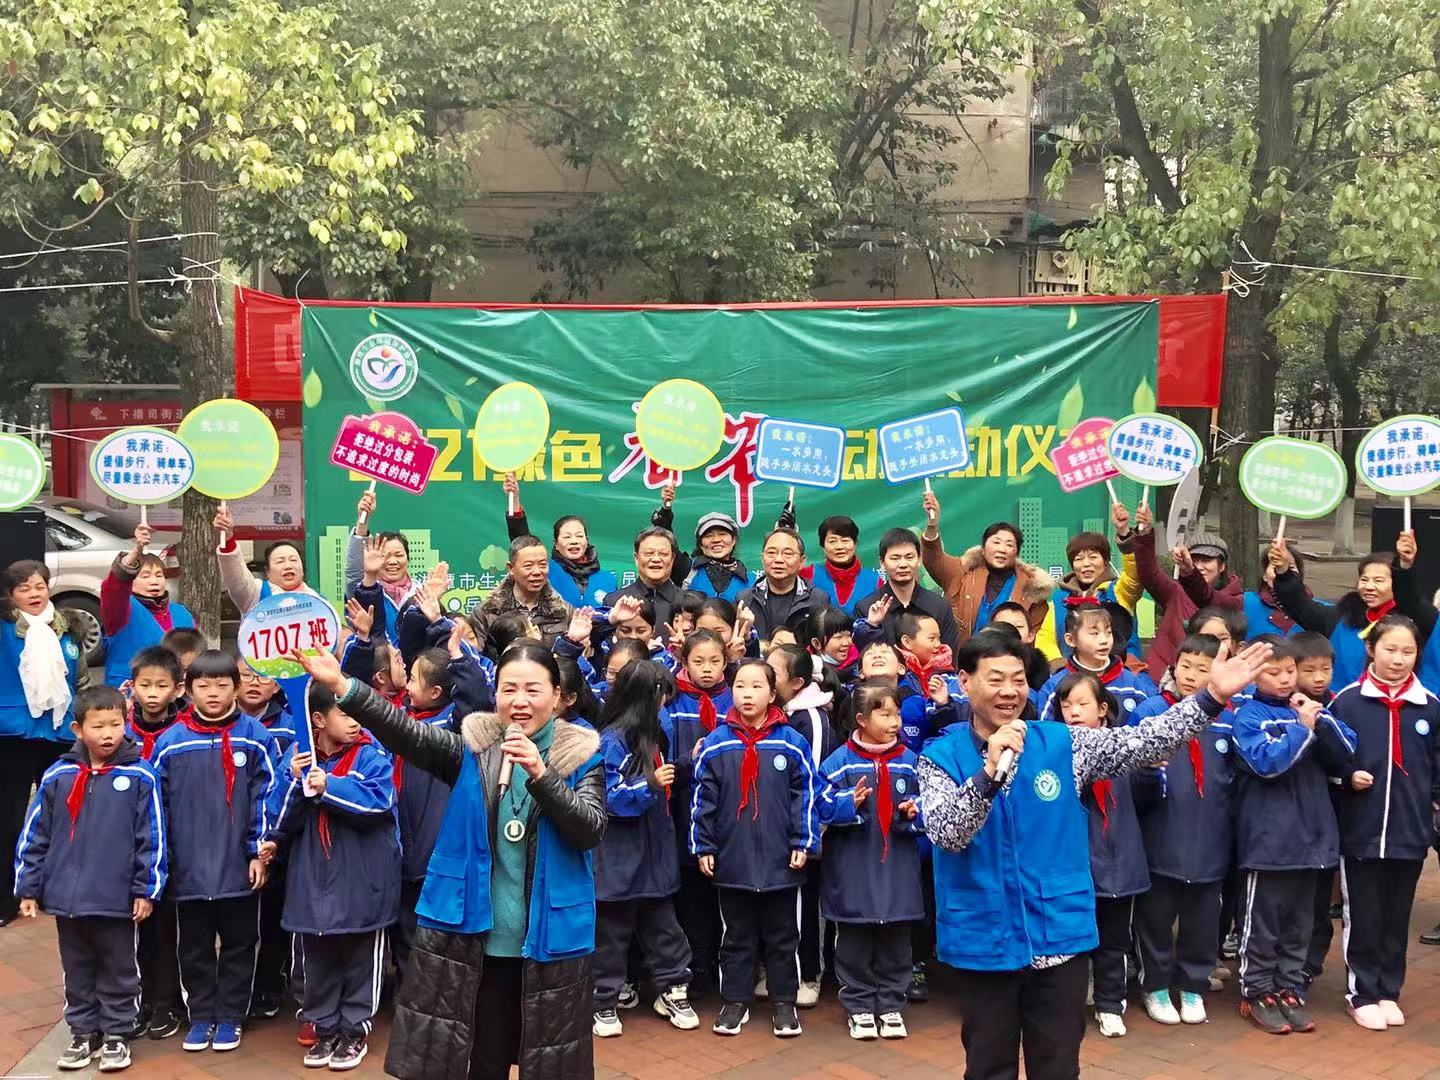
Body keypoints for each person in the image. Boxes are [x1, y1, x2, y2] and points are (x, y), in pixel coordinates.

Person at [918, 633, 1271, 1079]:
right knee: (989, 1066)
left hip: (1058, 937)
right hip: (984, 941)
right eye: (996, 679)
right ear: (965, 681)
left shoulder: (1064, 744)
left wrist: (1211, 697)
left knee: (1059, 1067)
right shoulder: (940, 757)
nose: (1009, 691)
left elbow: (1145, 742)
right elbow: (947, 834)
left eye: (1018, 679)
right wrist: (988, 773)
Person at [294, 642, 606, 1080]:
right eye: (508, 689)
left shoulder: (584, 758)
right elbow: (406, 732)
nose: (519, 701)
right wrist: (343, 686)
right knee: (484, 1060)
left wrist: (542, 774)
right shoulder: (471, 751)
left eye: (533, 690)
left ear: (556, 696)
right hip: (477, 941)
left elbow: (589, 828)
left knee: (549, 1064)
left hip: (550, 942)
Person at [14, 684, 165, 1073]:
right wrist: (29, 888)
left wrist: (145, 890)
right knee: (77, 967)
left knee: (119, 967)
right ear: (78, 729)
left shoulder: (140, 775)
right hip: (67, 898)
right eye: (98, 726)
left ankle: (117, 1033)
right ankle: (83, 1032)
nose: (108, 734)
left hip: (116, 898)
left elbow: (152, 837)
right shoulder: (58, 775)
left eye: (115, 724)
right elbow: (35, 835)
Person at [261, 683, 401, 1070]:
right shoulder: (297, 756)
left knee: (360, 958)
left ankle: (354, 1032)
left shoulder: (370, 754)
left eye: (360, 715)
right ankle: (324, 1029)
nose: (357, 723)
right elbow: (278, 819)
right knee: (317, 959)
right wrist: (294, 780)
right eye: (346, 714)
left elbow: (380, 801)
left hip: (362, 879)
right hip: (311, 878)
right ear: (318, 720)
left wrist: (330, 785)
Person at [1230, 635, 1356, 1035]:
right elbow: (1268, 763)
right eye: (1274, 673)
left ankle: (1288, 988)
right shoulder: (1247, 717)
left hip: (1313, 841)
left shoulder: (1308, 710)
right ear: (1253, 675)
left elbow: (1346, 752)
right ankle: (1256, 991)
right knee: (1262, 924)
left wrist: (1321, 720)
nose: (1285, 680)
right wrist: (1302, 729)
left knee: (1300, 925)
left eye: (1289, 671)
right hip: (1268, 843)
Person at [152, 650, 276, 1054]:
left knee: (240, 944)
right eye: (203, 686)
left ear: (235, 689)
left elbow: (266, 797)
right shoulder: (170, 742)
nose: (213, 693)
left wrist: (257, 852)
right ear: (187, 691)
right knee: (194, 948)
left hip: (239, 868)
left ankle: (231, 1017)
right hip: (188, 870)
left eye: (222, 685)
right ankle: (201, 1015)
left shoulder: (255, 737)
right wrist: (165, 861)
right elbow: (156, 808)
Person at [690, 659, 821, 1038]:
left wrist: (803, 841)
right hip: (733, 860)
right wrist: (704, 845)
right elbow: (703, 800)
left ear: (773, 693)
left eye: (757, 686)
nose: (747, 694)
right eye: (740, 686)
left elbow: (806, 795)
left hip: (783, 862)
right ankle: (735, 1000)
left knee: (784, 936)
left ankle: (784, 1002)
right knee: (736, 937)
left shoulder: (790, 742)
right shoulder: (717, 743)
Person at [1327, 615, 1440, 1030]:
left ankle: (1389, 990)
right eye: (1390, 649)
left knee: (1396, 916)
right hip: (1362, 831)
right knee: (1364, 915)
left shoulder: (1430, 706)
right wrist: (1346, 777)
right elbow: (1329, 759)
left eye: (1408, 651)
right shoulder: (1348, 702)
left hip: (1410, 832)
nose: (1398, 659)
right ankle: (1361, 993)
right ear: (1371, 649)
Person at [1129, 634, 1233, 1027]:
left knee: (1203, 922)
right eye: (1185, 666)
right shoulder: (1152, 711)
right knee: (1155, 920)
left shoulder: (1229, 718)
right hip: (1161, 836)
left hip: (1209, 839)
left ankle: (1193, 986)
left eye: (1202, 669)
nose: (1191, 676)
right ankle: (1155, 986)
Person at [591, 660, 699, 1037]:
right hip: (620, 857)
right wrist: (650, 784)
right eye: (661, 696)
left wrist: (686, 764)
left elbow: (664, 780)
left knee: (665, 928)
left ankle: (673, 989)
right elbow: (610, 797)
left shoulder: (655, 732)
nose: (666, 704)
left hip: (655, 854)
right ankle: (603, 999)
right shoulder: (612, 740)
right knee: (611, 933)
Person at [817, 679, 924, 1041]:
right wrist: (848, 804)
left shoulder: (909, 762)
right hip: (854, 871)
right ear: (861, 719)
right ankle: (860, 1006)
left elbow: (927, 803)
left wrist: (913, 812)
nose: (895, 723)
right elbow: (819, 806)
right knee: (854, 942)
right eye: (886, 715)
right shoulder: (839, 763)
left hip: (898, 870)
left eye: (897, 715)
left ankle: (891, 1004)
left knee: (897, 942)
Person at [1053, 673, 1151, 1039]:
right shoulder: (1057, 754)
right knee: (1072, 943)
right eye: (1066, 706)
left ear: (1103, 708)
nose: (1074, 712)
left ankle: (1110, 1004)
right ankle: (1070, 1005)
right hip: (1075, 864)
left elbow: (1147, 800)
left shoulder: (1126, 749)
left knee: (1114, 941)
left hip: (1120, 860)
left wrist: (1150, 775)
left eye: (1083, 704)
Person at [0, 559, 90, 925]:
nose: (34, 594)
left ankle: (58, 891)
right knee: (8, 819)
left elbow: (80, 682)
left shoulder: (69, 628)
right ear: (11, 596)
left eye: (39, 586)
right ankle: (6, 898)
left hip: (59, 734)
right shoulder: (4, 628)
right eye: (24, 588)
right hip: (13, 735)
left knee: (63, 817)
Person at [768, 644, 840, 1007]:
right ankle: (785, 972)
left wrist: (807, 834)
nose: (767, 677)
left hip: (805, 832)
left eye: (774, 672)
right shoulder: (784, 714)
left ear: (796, 682)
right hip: (780, 830)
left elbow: (811, 782)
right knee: (785, 905)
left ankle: (809, 974)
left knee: (808, 904)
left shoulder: (809, 719)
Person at [122, 646, 186, 1039]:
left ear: (178, 689)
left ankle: (168, 1001)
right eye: (144, 685)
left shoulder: (183, 731)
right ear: (132, 686)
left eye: (161, 685)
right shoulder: (120, 731)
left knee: (167, 930)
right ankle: (140, 1000)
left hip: (173, 846)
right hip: (130, 847)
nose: (151, 693)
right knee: (136, 929)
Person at [1267, 537, 1427, 691]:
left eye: (1378, 580)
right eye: (1364, 579)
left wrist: (1405, 565)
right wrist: (1284, 572)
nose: (1369, 587)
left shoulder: (1412, 622)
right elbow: (1300, 606)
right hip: (1341, 703)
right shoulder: (1342, 617)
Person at [667, 629, 732, 995]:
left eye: (714, 661)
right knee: (689, 892)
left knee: (721, 895)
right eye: (698, 661)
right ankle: (694, 966)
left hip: (725, 814)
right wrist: (687, 761)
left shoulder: (734, 699)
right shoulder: (673, 702)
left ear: (726, 662)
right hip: (682, 809)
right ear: (684, 662)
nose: (706, 669)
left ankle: (723, 967)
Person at [1117, 504, 1245, 683]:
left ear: (1222, 565)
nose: (1199, 566)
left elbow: (1208, 598)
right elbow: (1148, 572)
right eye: (1194, 560)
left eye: (1207, 560)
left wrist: (1190, 573)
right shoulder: (1176, 591)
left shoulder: (1235, 601)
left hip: (1213, 685)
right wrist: (1144, 533)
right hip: (1161, 684)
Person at [920, 491, 1053, 644]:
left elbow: (1031, 640)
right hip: (962, 657)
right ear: (983, 549)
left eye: (1009, 545)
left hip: (1008, 657)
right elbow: (933, 559)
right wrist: (932, 525)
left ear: (1016, 553)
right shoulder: (962, 571)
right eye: (996, 542)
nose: (1002, 549)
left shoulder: (1032, 590)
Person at [1034, 508, 1142, 666]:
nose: (1086, 564)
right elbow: (1046, 639)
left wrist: (1124, 533)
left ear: (1105, 561)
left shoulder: (1118, 592)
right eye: (1079, 559)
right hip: (1072, 675)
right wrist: (1061, 667)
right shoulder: (1059, 600)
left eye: (1093, 557)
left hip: (1119, 673)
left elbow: (1134, 576)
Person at [501, 474, 619, 607]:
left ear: (586, 541)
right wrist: (514, 498)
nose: (574, 541)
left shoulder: (608, 579)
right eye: (567, 537)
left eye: (579, 536)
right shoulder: (546, 571)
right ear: (556, 544)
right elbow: (522, 541)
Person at [100, 522, 195, 688]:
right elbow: (114, 587)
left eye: (159, 575)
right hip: (129, 693)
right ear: (131, 581)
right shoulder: (122, 610)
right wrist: (136, 550)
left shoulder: (182, 614)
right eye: (145, 576)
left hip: (174, 694)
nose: (154, 581)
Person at [1037, 604, 1156, 720]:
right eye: (1094, 633)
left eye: (1108, 632)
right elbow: (1045, 731)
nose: (1104, 640)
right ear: (1071, 640)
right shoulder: (1054, 687)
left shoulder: (1132, 683)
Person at [852, 528, 960, 654]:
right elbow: (862, 656)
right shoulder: (866, 608)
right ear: (882, 562)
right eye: (895, 558)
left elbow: (950, 655)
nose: (903, 564)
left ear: (919, 559)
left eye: (909, 557)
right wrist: (871, 626)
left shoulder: (939, 606)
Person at [467, 534, 573, 651]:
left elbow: (570, 659)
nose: (537, 572)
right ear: (511, 568)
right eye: (528, 566)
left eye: (542, 565)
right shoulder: (487, 612)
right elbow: (479, 658)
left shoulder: (564, 611)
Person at [212, 506, 318, 615]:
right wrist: (228, 537)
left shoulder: (318, 602)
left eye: (293, 560)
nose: (288, 566)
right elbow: (236, 578)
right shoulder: (256, 593)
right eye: (280, 561)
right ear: (267, 571)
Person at [345, 490, 420, 640]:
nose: (392, 561)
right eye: (385, 556)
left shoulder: (421, 592)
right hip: (375, 655)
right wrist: (363, 520)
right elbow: (354, 568)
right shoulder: (364, 589)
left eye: (399, 555)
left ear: (408, 558)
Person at [737, 528, 820, 649]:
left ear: (802, 561)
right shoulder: (744, 599)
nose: (778, 560)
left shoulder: (817, 599)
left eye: (788, 554)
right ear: (762, 558)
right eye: (771, 553)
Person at [605, 526, 684, 630]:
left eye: (663, 554)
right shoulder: (614, 601)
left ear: (672, 559)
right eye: (649, 553)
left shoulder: (686, 602)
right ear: (636, 558)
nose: (656, 559)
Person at [802, 515, 882, 611]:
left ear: (855, 544)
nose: (839, 547)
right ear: (823, 546)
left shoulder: (875, 581)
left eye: (845, 540)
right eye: (832, 541)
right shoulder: (808, 575)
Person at [1245, 541, 1314, 637]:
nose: (1282, 573)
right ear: (1265, 575)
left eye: (1290, 568)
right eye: (1277, 567)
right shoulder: (1244, 603)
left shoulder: (1320, 612)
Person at [683, 512, 752, 602]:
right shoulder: (687, 569)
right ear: (701, 545)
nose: (716, 540)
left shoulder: (749, 580)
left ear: (733, 540)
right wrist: (666, 511)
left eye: (722, 534)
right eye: (709, 536)